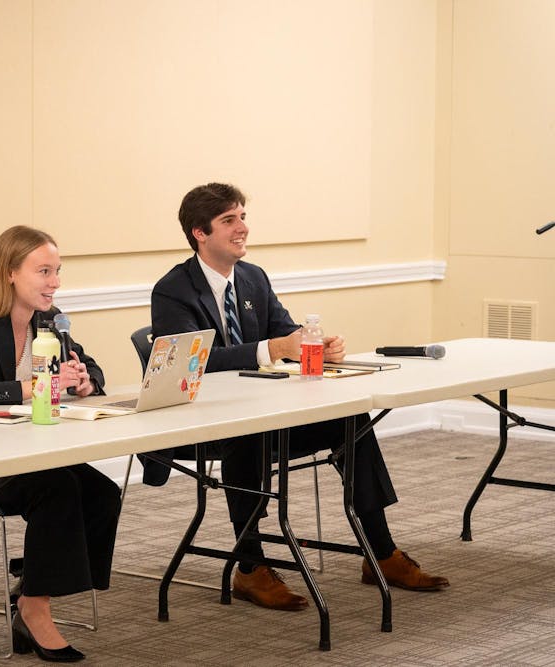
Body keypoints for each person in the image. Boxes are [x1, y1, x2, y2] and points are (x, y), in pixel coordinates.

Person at [145, 182, 448, 612]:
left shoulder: (253, 277)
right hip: (204, 423)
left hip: (264, 410)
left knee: (352, 420)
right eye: (229, 221)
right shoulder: (173, 290)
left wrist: (315, 348)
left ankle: (380, 550)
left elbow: (284, 332)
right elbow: (193, 363)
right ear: (200, 233)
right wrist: (276, 349)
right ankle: (249, 567)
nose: (242, 228)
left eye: (243, 217)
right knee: (246, 435)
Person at [0, 225, 121, 662]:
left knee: (102, 492)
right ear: (10, 272)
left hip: (21, 452)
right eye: (44, 271)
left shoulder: (49, 319)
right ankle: (34, 608)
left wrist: (86, 383)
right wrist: (34, 387)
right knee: (59, 488)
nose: (55, 282)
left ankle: (33, 585)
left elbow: (90, 369)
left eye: (58, 271)